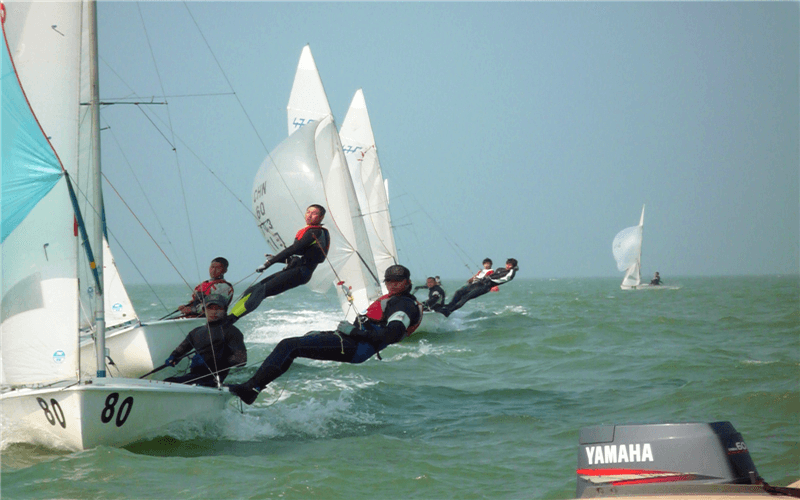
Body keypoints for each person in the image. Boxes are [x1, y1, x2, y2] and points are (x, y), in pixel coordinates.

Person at [227, 264, 423, 405]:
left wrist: (353, 331)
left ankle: (251, 388)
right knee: (294, 345)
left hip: (357, 347)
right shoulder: (395, 299)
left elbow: (391, 336)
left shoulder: (403, 304)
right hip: (352, 342)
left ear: (407, 282)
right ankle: (253, 387)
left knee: (289, 345)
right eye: (390, 281)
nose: (393, 284)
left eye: (399, 281)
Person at [227, 204, 330, 324]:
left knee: (261, 291)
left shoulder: (316, 232)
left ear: (321, 217)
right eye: (308, 212)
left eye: (314, 213)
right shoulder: (309, 231)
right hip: (294, 270)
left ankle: (231, 320)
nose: (310, 215)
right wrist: (280, 260)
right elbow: (300, 256)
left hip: (301, 273)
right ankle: (230, 314)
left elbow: (294, 249)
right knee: (252, 290)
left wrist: (269, 263)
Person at [164, 293, 247, 387]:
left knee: (174, 383)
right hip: (194, 376)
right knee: (167, 381)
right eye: (210, 308)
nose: (214, 312)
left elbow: (241, 360)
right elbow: (180, 350)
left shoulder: (232, 332)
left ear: (225, 310)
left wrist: (211, 361)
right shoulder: (196, 332)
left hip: (213, 380)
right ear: (204, 310)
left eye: (218, 308)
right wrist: (173, 357)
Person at [439, 258, 519, 317]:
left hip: (486, 287)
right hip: (479, 283)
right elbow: (490, 275)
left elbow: (504, 278)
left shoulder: (511, 273)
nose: (508, 266)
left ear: (513, 266)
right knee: (459, 292)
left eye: (510, 265)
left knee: (466, 297)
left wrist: (489, 278)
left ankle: (448, 311)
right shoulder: (500, 269)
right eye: (507, 264)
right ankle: (448, 306)